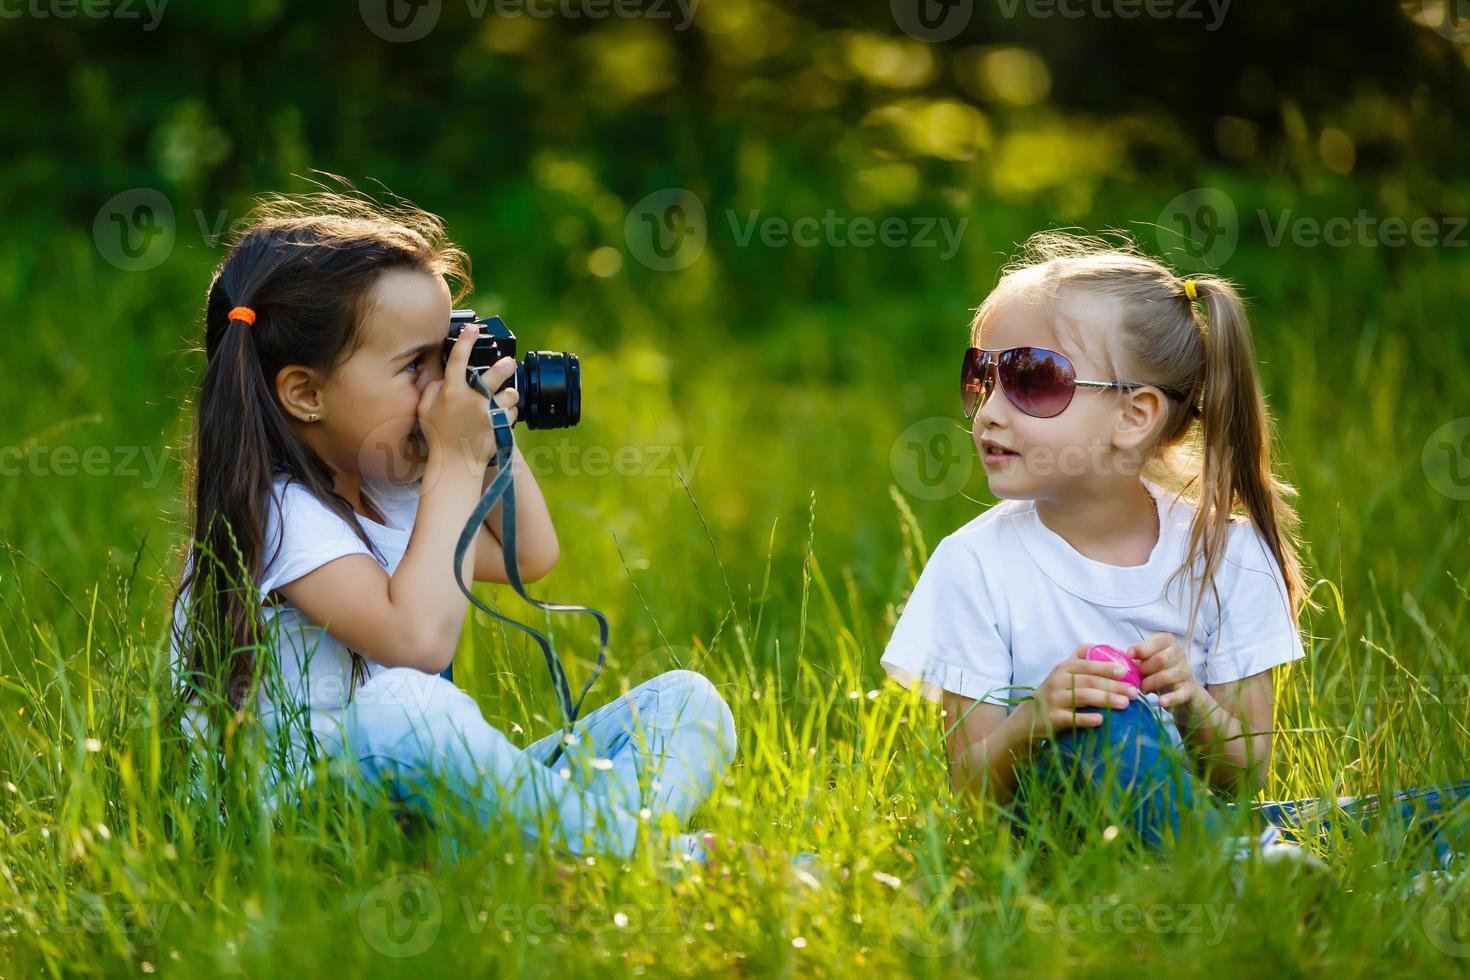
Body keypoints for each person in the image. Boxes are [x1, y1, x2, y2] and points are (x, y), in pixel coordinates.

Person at [167, 189, 735, 864]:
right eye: (416, 367)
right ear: (306, 394)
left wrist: (483, 419)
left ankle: (573, 855)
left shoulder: (389, 487)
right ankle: (657, 862)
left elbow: (530, 553)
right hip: (300, 830)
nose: (441, 388)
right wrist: (455, 457)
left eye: (449, 356)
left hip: (406, 805)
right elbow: (418, 644)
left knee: (686, 705)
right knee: (406, 704)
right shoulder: (279, 513)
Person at [882, 231, 1467, 871]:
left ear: (1135, 415)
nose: (989, 413)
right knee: (1109, 720)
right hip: (1055, 839)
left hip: (1204, 818)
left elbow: (1245, 775)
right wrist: (1037, 718)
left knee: (1432, 814)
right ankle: (1234, 873)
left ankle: (1237, 861)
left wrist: (1192, 701)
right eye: (981, 377)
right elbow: (971, 792)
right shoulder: (975, 565)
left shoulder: (1228, 555)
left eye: (1032, 379)